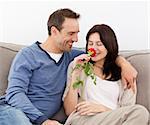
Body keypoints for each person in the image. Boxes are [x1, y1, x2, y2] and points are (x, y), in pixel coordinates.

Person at [0, 9, 137, 125]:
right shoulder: (28, 55)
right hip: (13, 111)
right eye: (71, 34)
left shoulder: (72, 55)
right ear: (54, 31)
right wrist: (44, 121)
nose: (76, 39)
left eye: (77, 33)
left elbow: (103, 53)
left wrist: (124, 64)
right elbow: (14, 94)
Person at [63, 24, 149, 125]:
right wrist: (75, 74)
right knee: (140, 111)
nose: (93, 48)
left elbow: (127, 111)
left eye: (99, 44)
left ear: (109, 46)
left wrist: (103, 109)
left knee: (140, 113)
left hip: (113, 120)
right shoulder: (78, 65)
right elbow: (69, 111)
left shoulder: (125, 73)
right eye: (90, 44)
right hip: (84, 119)